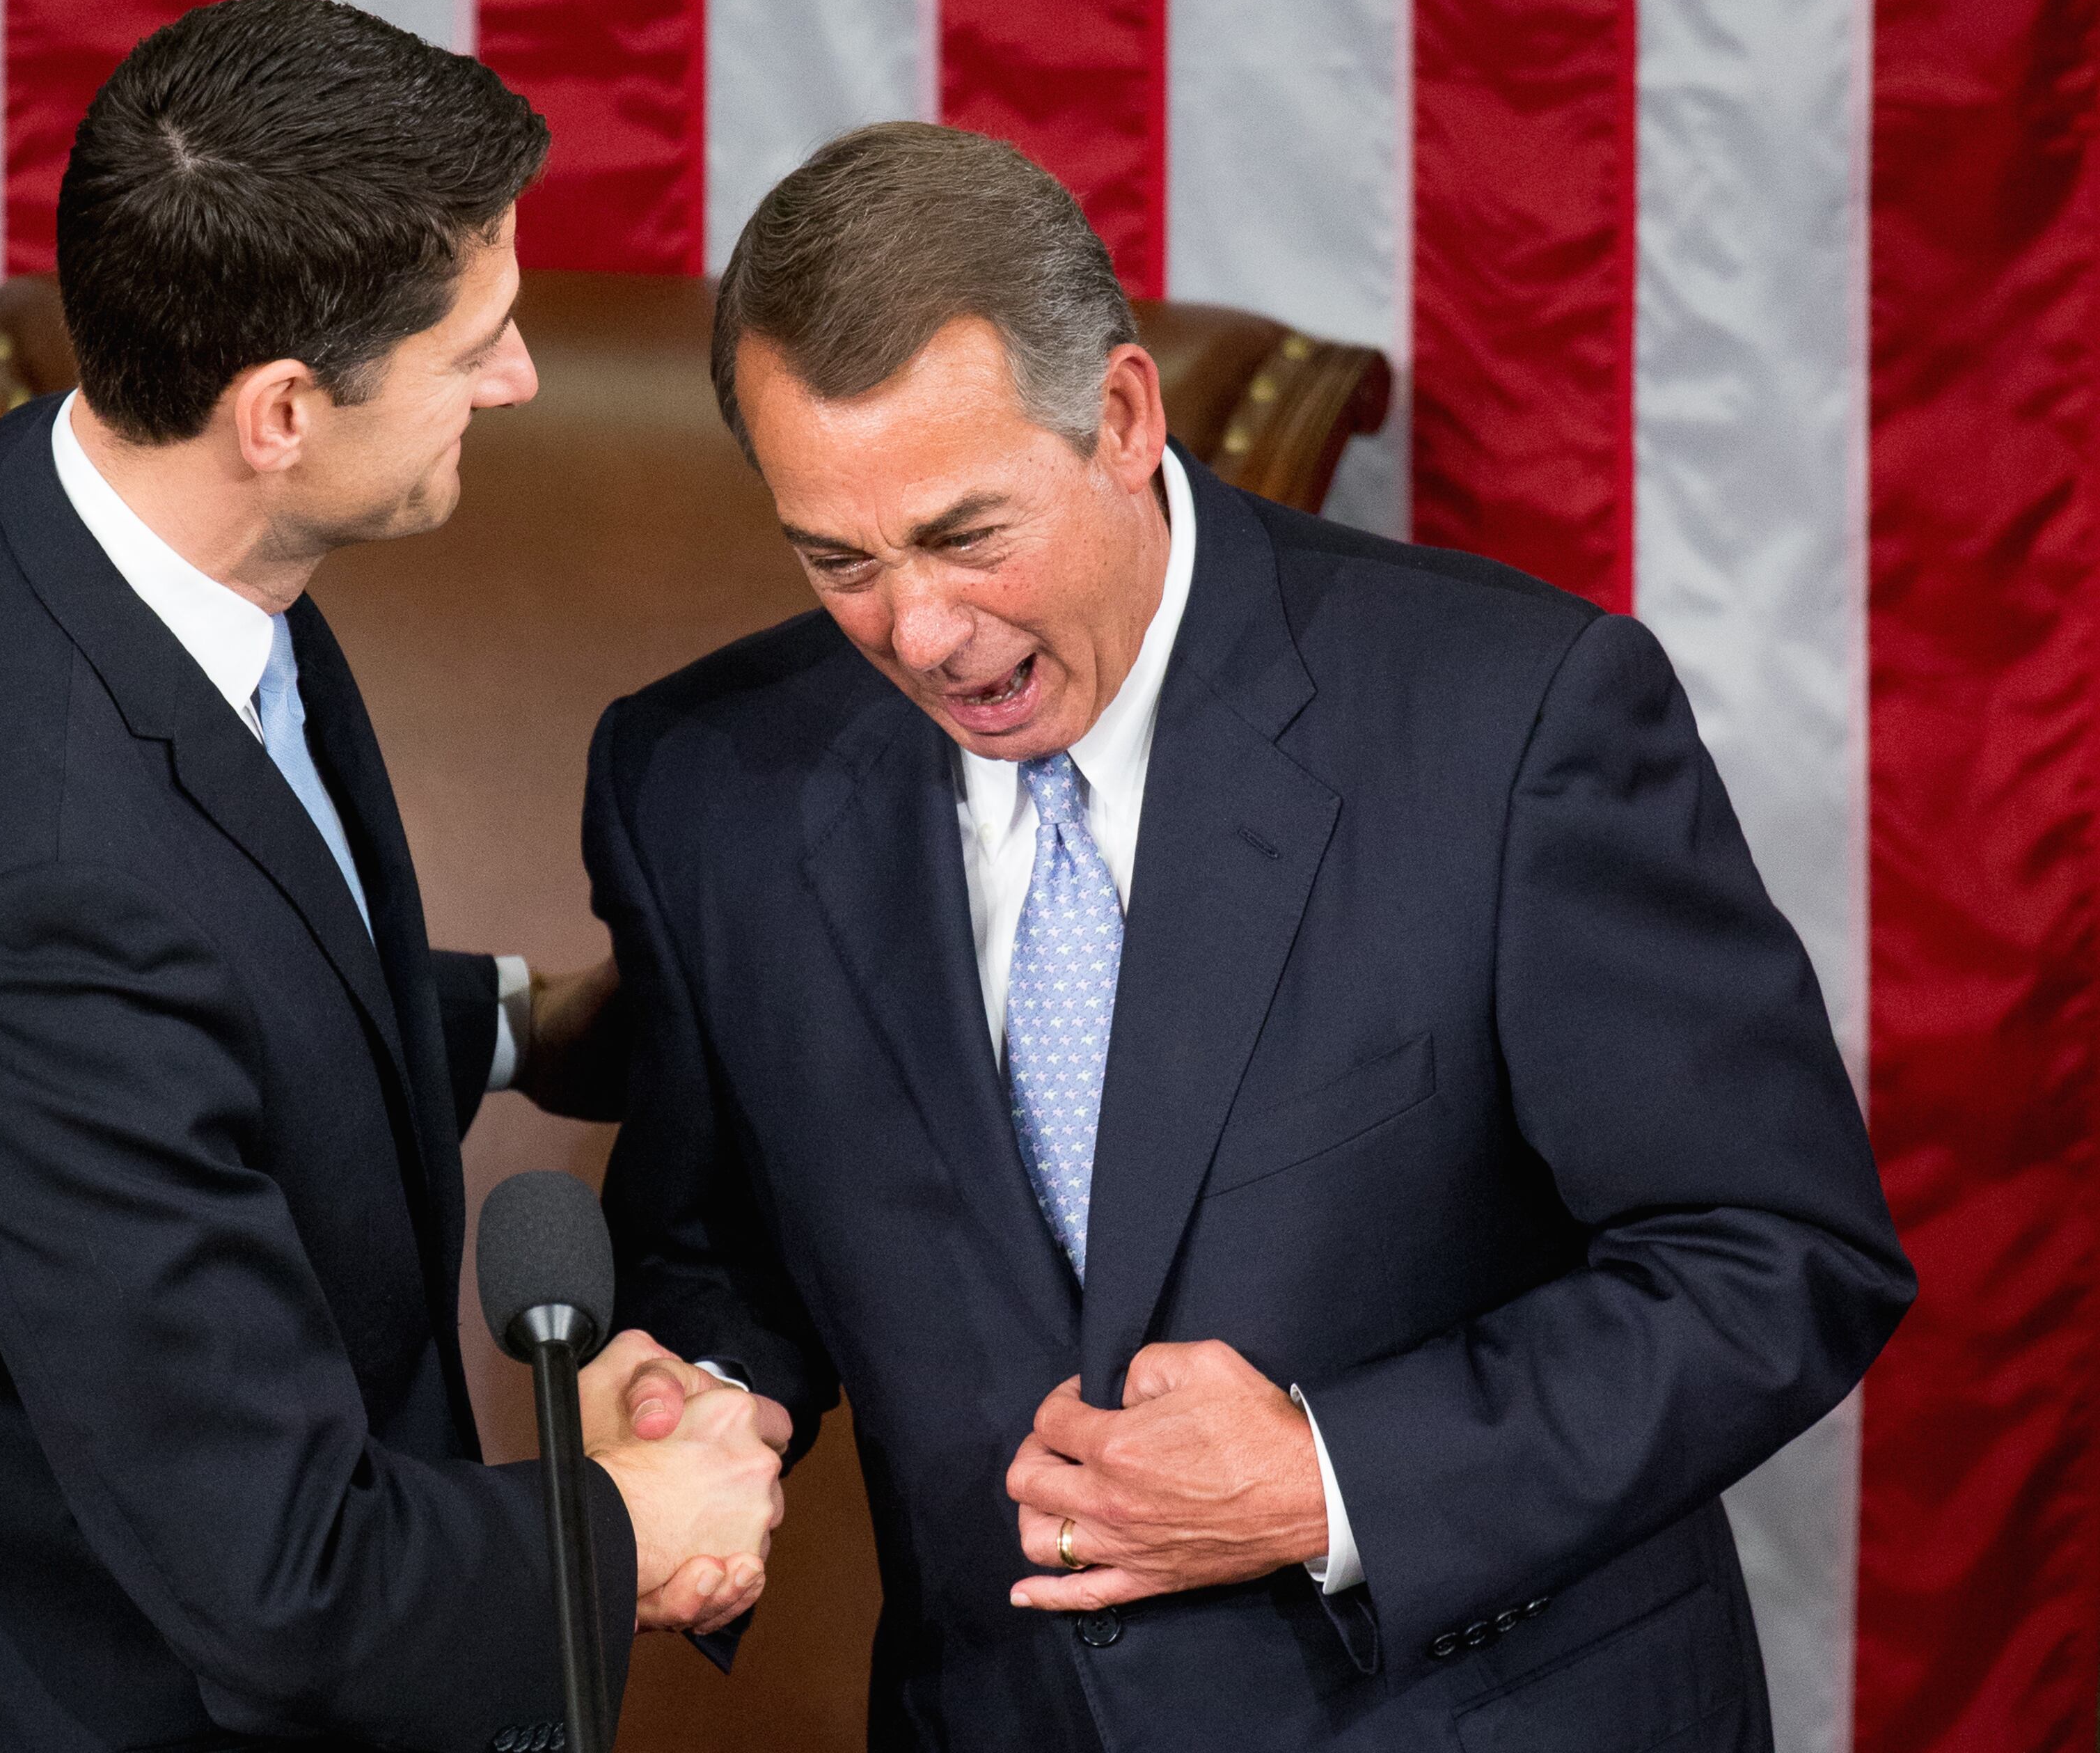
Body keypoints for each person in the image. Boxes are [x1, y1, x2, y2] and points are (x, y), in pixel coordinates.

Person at [592, 123, 1915, 1750]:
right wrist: (708, 1395)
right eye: (837, 559)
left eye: (965, 533)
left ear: (1126, 419)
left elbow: (1775, 1254)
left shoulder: (1511, 722)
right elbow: (723, 1235)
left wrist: (1332, 1475)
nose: (919, 631)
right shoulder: (702, 782)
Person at [0, 0, 783, 1752]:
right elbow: (284, 1578)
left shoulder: (48, 498)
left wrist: (505, 1022)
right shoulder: (45, 897)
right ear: (278, 410)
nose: (519, 375)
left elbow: (208, 966)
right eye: (473, 341)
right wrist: (636, 1524)